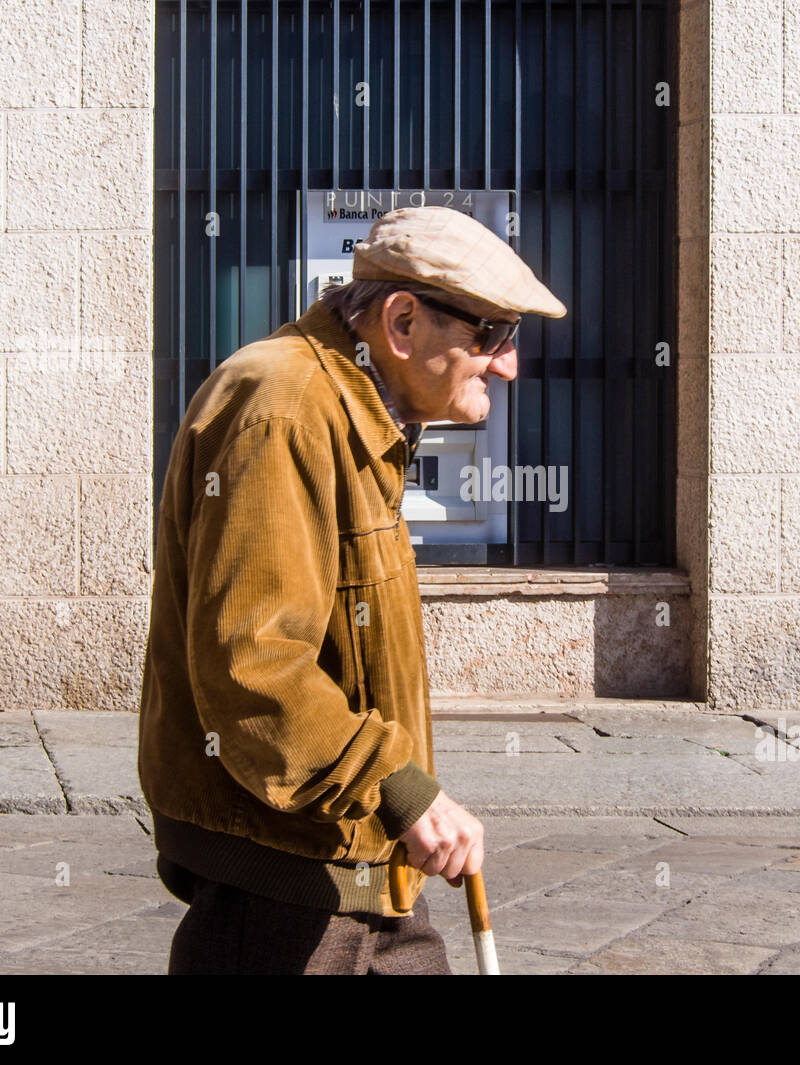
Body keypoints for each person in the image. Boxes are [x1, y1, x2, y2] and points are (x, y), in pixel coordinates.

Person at [137, 205, 567, 973]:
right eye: (491, 334)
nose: (507, 364)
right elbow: (256, 667)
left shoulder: (355, 412)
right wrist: (404, 790)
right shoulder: (283, 410)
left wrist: (399, 802)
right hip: (286, 878)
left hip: (358, 857)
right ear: (402, 323)